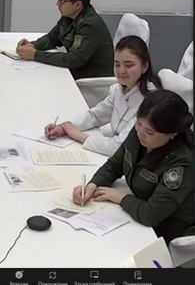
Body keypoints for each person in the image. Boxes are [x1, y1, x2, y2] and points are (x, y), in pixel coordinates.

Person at [72, 89, 194, 243]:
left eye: (150, 132)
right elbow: (115, 164)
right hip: (135, 211)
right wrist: (93, 185)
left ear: (172, 134)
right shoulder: (140, 132)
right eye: (138, 123)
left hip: (166, 231)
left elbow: (151, 215)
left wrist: (120, 197)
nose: (140, 133)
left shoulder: (182, 163)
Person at [44, 36, 162, 156]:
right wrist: (64, 127)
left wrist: (79, 136)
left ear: (144, 66)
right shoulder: (122, 88)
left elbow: (119, 147)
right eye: (117, 64)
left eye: (128, 65)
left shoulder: (150, 101)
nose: (121, 71)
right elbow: (96, 115)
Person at [15, 0, 114, 79]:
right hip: (76, 72)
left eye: (62, 1)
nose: (57, 4)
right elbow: (52, 38)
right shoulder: (69, 17)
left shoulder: (90, 25)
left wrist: (35, 55)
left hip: (90, 79)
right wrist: (33, 45)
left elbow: (73, 60)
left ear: (77, 5)